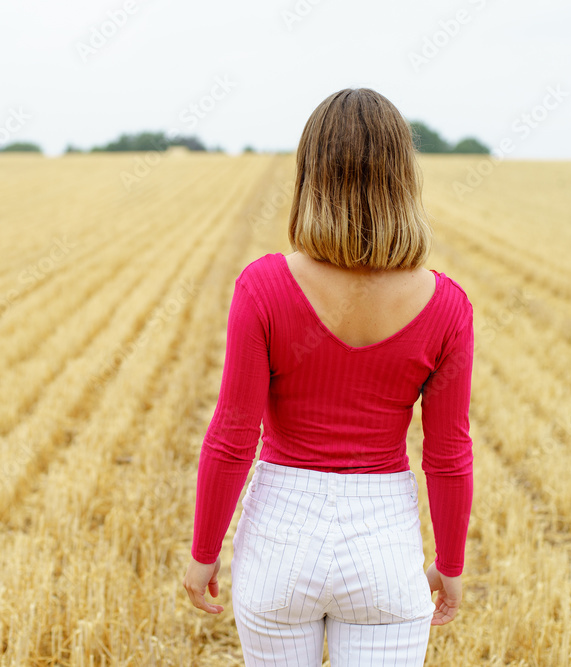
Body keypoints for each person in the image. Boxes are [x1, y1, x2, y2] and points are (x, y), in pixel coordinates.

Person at [182, 87, 474, 665]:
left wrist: (204, 549)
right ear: (403, 181)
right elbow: (448, 454)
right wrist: (451, 563)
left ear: (310, 177)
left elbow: (232, 435)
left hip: (278, 543)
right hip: (384, 549)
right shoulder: (446, 306)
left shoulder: (262, 287)